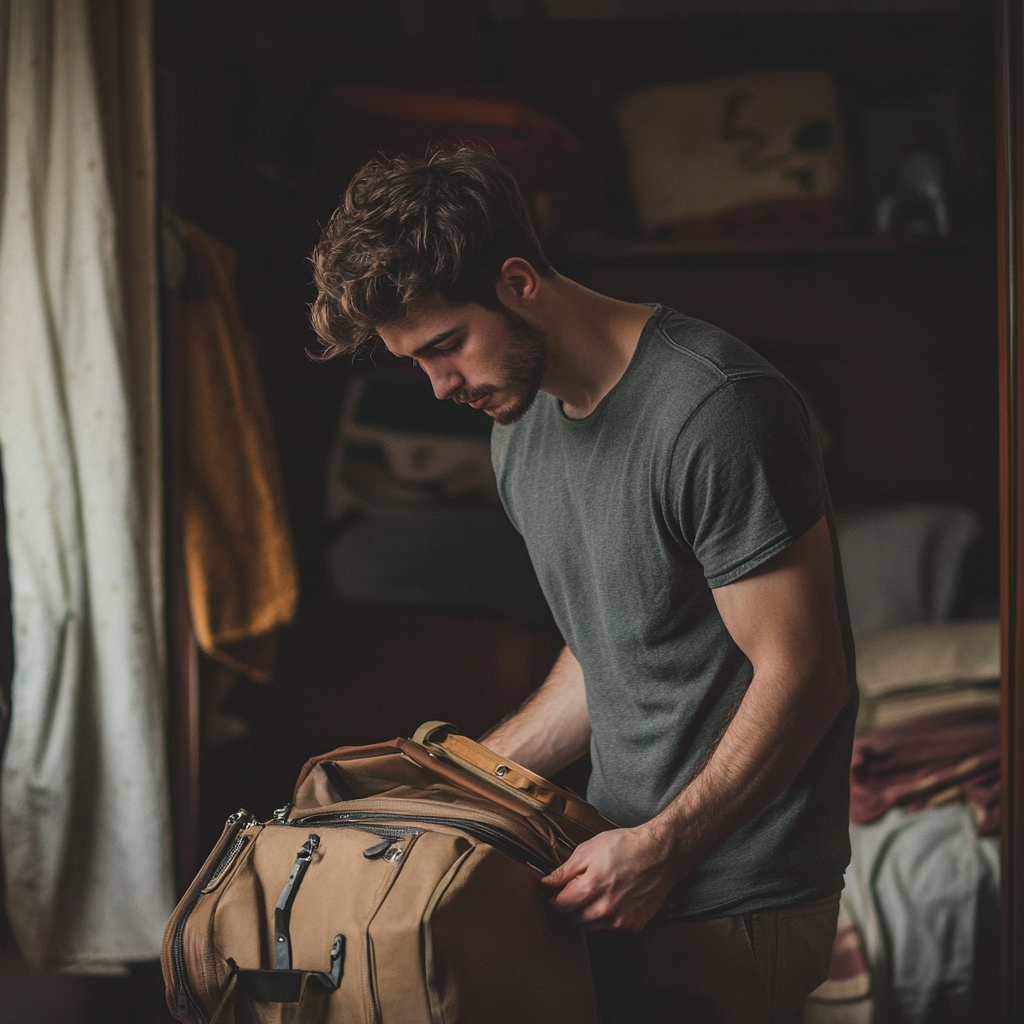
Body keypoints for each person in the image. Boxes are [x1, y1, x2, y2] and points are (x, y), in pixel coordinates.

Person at [310, 146, 858, 1024]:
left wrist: (664, 848)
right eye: (416, 361)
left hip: (735, 893)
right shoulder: (517, 426)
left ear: (520, 281)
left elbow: (808, 672)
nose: (440, 386)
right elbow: (615, 647)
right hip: (613, 870)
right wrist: (454, 792)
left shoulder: (717, 409)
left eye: (447, 345)